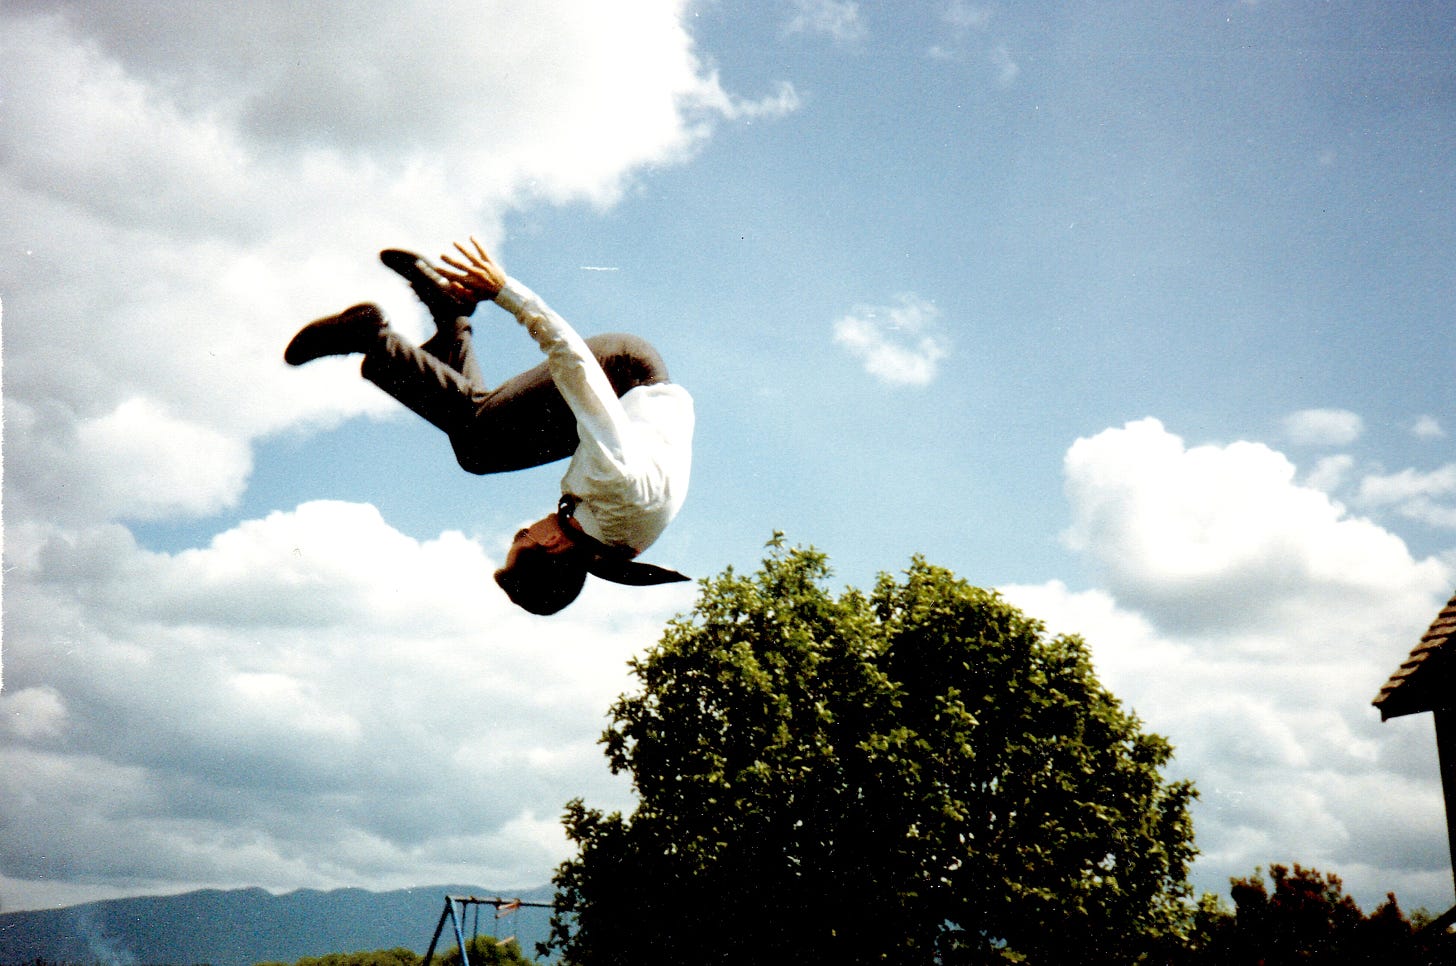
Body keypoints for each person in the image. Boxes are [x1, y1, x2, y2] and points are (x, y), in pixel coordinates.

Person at [283, 238, 694, 614]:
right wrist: (506, 292)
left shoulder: (605, 542)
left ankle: (451, 318)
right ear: (552, 544)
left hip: (627, 402)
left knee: (477, 445)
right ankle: (373, 335)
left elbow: (619, 562)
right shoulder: (613, 483)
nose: (528, 525)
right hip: (620, 371)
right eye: (522, 535)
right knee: (479, 440)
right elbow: (575, 365)